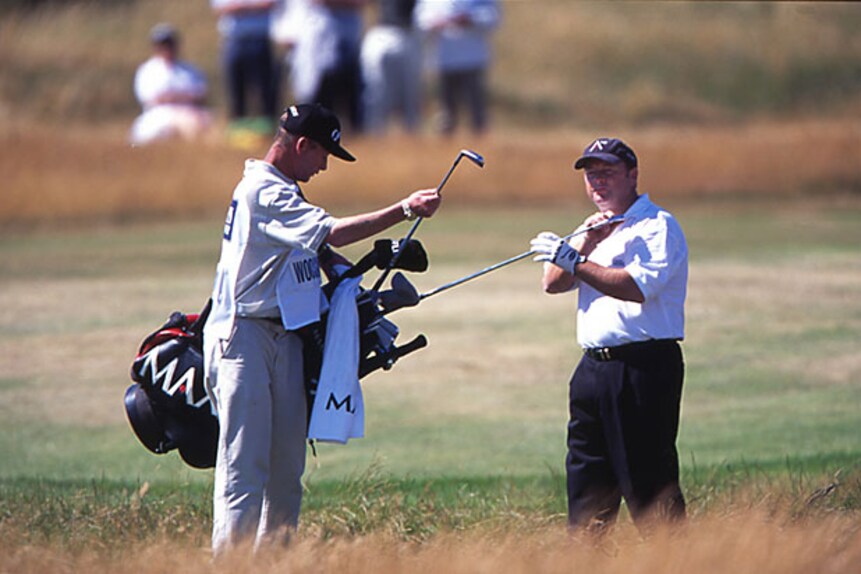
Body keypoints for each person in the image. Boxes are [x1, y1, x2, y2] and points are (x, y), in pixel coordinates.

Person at [203, 102, 442, 553]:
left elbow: (322, 255)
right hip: (244, 337)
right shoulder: (265, 192)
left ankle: (276, 561)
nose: (325, 164)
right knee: (244, 468)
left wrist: (368, 288)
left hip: (283, 335)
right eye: (323, 154)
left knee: (286, 470)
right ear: (302, 145)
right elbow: (330, 234)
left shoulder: (284, 192)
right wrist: (404, 209)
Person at [529, 138, 688, 533]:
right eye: (591, 175)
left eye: (608, 173)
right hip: (592, 372)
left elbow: (636, 287)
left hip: (641, 368)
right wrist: (582, 243)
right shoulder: (593, 227)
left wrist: (577, 262)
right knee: (587, 491)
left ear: (632, 175)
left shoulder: (657, 225)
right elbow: (552, 282)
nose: (598, 183)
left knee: (648, 485)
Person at [415, 0, 500, 136]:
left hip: (472, 59)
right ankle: (445, 145)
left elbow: (493, 17)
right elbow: (420, 20)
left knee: (476, 109)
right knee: (446, 112)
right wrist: (436, 23)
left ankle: (480, 144)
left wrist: (470, 19)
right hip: (444, 59)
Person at [129, 23, 212, 146]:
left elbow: (201, 95)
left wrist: (172, 97)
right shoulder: (147, 70)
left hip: (188, 112)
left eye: (169, 44)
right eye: (162, 45)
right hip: (159, 114)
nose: (167, 49)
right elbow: (150, 99)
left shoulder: (190, 70)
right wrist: (182, 96)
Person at [210, 0, 279, 125]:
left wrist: (241, 7)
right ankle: (239, 126)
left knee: (264, 87)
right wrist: (253, 7)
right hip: (235, 40)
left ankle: (267, 125)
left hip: (260, 39)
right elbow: (222, 8)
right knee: (236, 87)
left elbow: (269, 4)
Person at [360, 0, 422, 134]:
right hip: (381, 33)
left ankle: (411, 136)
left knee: (410, 95)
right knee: (376, 93)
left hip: (406, 33)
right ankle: (375, 134)